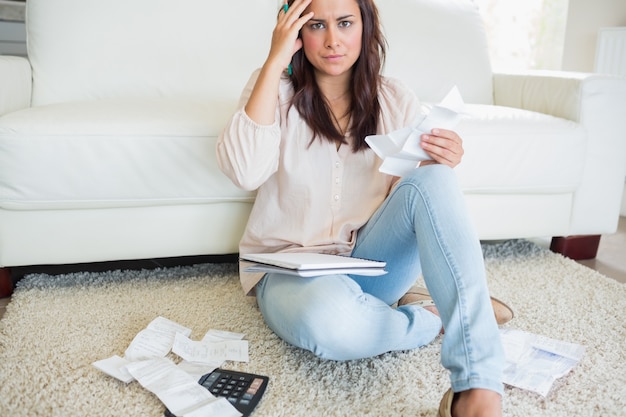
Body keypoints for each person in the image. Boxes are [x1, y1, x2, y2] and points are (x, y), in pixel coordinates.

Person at [217, 0, 511, 415]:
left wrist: (436, 161)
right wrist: (274, 60)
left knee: (436, 177)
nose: (333, 40)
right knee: (333, 325)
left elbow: (412, 197)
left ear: (365, 26)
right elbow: (245, 171)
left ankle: (478, 383)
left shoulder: (395, 98)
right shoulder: (271, 90)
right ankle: (435, 317)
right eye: (316, 25)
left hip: (370, 265)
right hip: (288, 270)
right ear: (295, 31)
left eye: (345, 23)